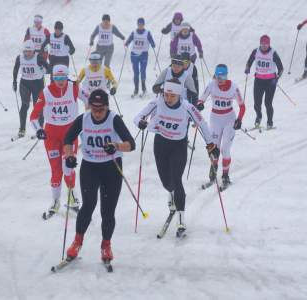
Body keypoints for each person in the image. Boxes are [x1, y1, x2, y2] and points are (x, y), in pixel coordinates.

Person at [134, 78, 219, 238]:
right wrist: (141, 122)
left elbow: (202, 124)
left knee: (177, 180)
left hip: (178, 146)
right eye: (166, 94)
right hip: (160, 144)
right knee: (167, 182)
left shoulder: (187, 107)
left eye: (172, 96)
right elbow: (138, 116)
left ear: (179, 95)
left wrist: (211, 145)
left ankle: (181, 218)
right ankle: (171, 193)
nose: (168, 98)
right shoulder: (157, 102)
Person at [64, 89, 135, 263]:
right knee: (88, 205)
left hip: (111, 168)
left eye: (100, 109)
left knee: (107, 210)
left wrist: (116, 146)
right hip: (90, 167)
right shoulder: (84, 119)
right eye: (93, 108)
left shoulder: (114, 119)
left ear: (106, 107)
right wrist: (70, 156)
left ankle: (106, 245)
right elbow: (67, 139)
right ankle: (77, 242)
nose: (96, 113)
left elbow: (131, 144)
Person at [30, 65, 80, 217]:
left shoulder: (74, 88)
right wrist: (38, 129)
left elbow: (91, 100)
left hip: (69, 134)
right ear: (52, 78)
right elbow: (33, 116)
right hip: (51, 135)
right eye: (57, 78)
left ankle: (72, 198)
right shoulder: (46, 92)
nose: (60, 81)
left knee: (67, 168)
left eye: (63, 77)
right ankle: (55, 201)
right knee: (56, 169)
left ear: (67, 77)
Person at [196, 64, 245, 188]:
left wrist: (239, 120)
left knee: (225, 150)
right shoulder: (211, 85)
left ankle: (225, 176)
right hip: (215, 118)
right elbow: (201, 99)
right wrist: (200, 104)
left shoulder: (233, 87)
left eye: (223, 76)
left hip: (229, 119)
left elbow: (242, 106)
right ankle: (213, 171)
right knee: (215, 149)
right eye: (218, 76)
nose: (220, 80)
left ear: (227, 75)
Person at [245, 34, 283, 129]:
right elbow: (249, 61)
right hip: (258, 81)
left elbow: (281, 68)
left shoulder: (273, 53)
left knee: (268, 103)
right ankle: (259, 117)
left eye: (266, 44)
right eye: (262, 44)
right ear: (260, 44)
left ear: (269, 44)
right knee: (257, 103)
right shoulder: (256, 51)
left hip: (270, 82)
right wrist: (247, 68)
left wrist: (276, 78)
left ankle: (270, 123)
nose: (264, 46)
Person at [13, 40, 50, 138]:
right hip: (25, 83)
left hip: (37, 84)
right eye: (25, 51)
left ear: (33, 51)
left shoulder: (38, 58)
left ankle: (40, 128)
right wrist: (14, 82)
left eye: (29, 52)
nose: (27, 54)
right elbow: (15, 69)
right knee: (24, 105)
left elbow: (49, 69)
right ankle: (22, 128)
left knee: (37, 106)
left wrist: (43, 69)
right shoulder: (20, 58)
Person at [125, 17, 156, 98]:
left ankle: (144, 88)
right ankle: (136, 89)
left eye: (142, 24)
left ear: (143, 24)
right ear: (137, 24)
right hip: (134, 55)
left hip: (143, 54)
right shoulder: (134, 32)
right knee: (136, 73)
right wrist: (127, 43)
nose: (140, 26)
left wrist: (153, 44)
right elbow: (129, 39)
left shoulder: (147, 33)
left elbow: (151, 40)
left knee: (142, 71)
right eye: (139, 24)